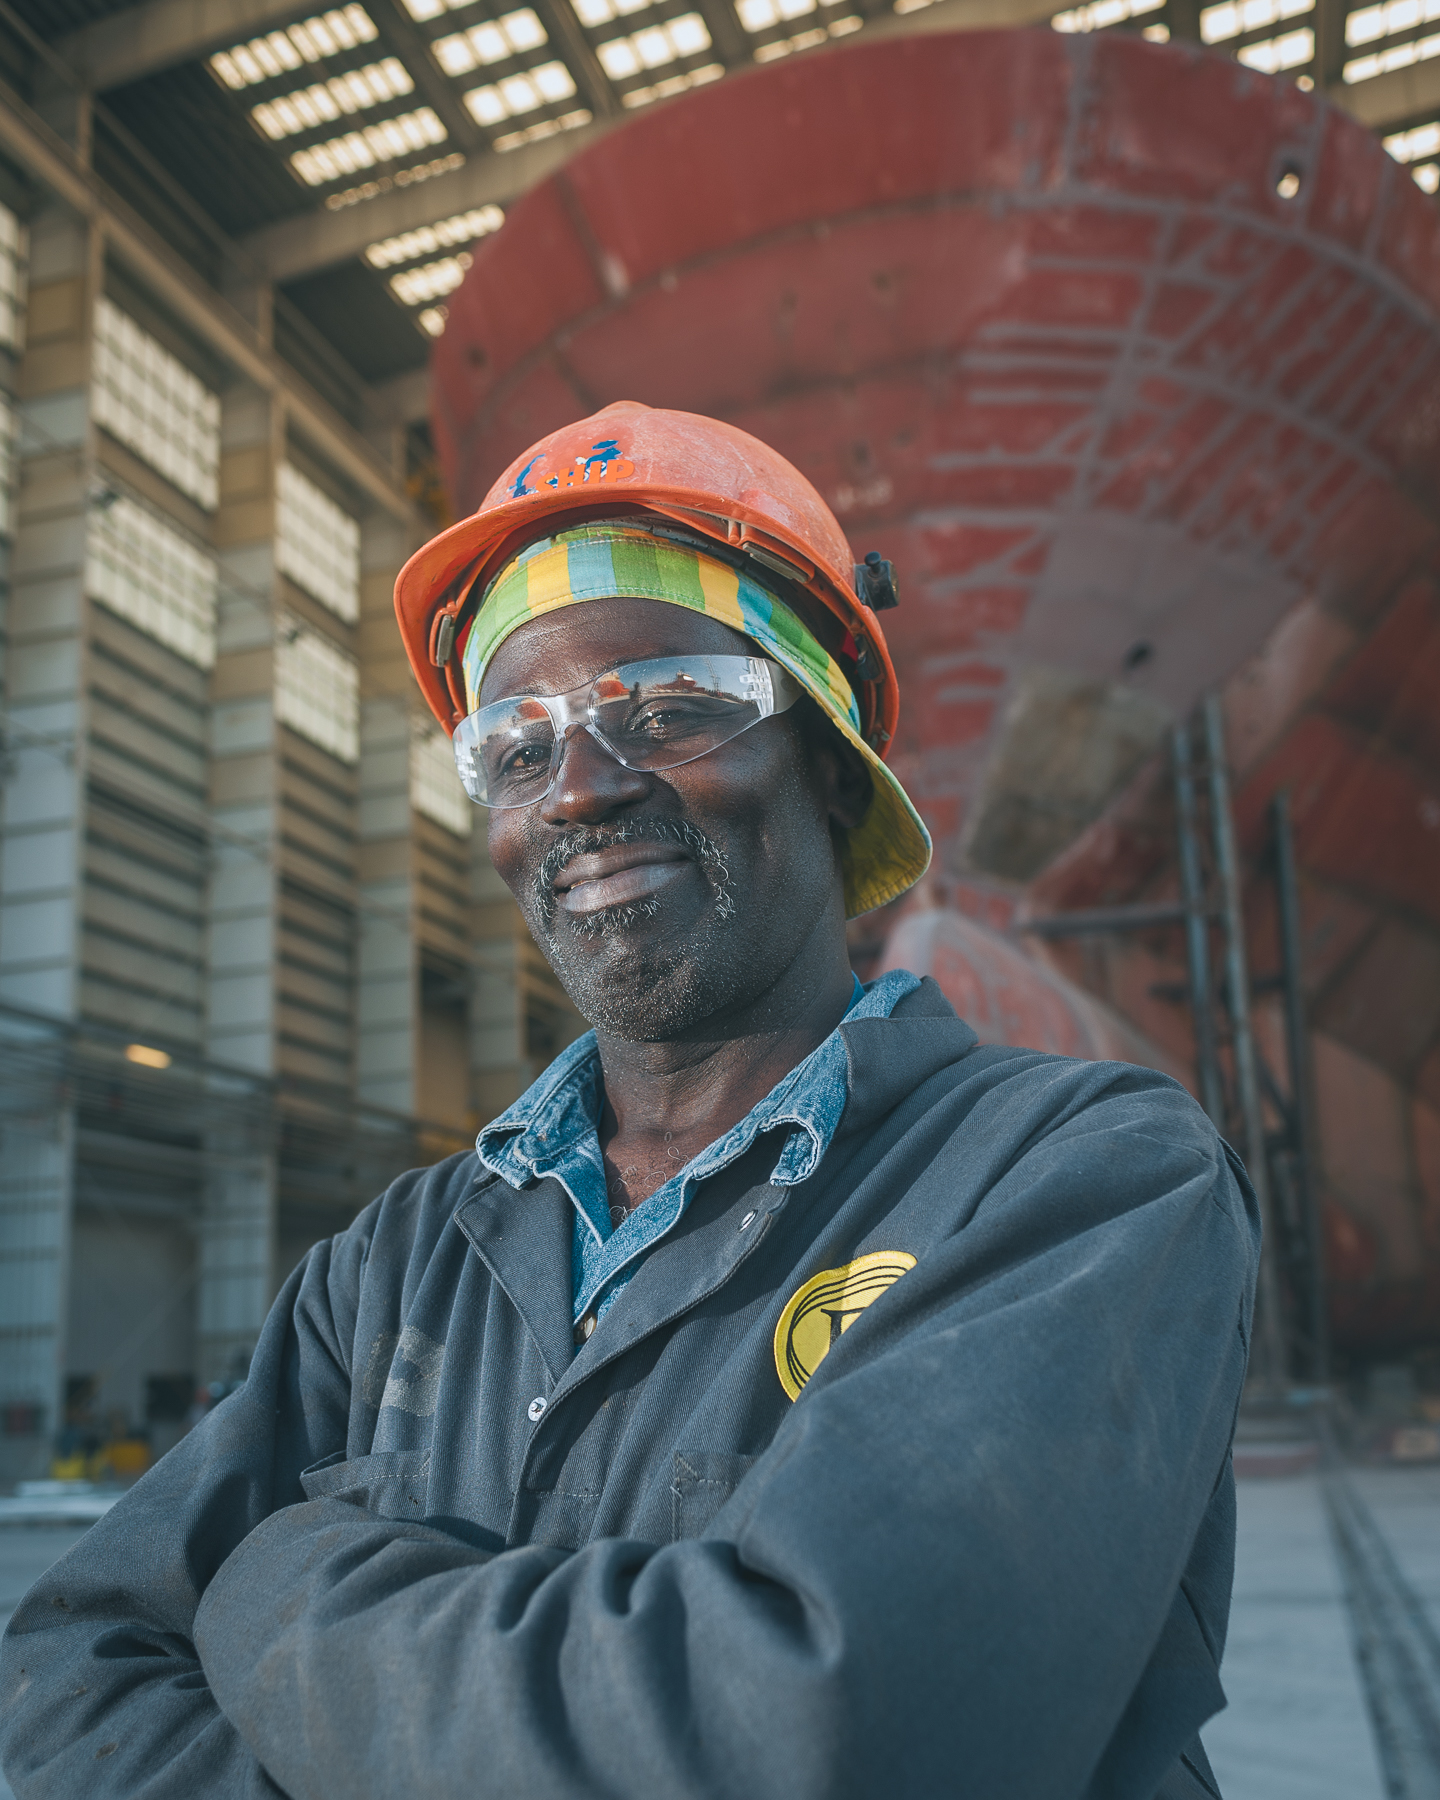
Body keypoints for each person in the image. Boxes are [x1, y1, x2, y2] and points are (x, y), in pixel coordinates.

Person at [0, 402, 1257, 1800]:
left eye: (667, 710)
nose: (579, 792)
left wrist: (281, 1589)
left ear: (832, 769)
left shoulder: (1079, 1179)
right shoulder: (394, 1265)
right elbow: (67, 1685)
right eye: (518, 748)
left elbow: (830, 1734)